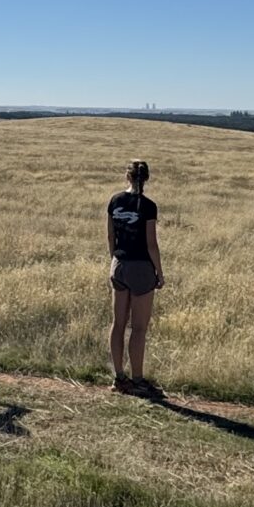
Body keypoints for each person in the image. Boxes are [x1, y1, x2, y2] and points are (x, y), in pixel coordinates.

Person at [105, 160, 164, 393]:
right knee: (138, 328)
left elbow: (111, 237)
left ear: (127, 177)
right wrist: (159, 272)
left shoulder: (115, 201)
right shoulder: (148, 206)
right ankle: (137, 380)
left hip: (119, 264)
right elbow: (151, 244)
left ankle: (119, 377)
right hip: (141, 267)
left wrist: (115, 259)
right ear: (146, 178)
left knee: (118, 323)